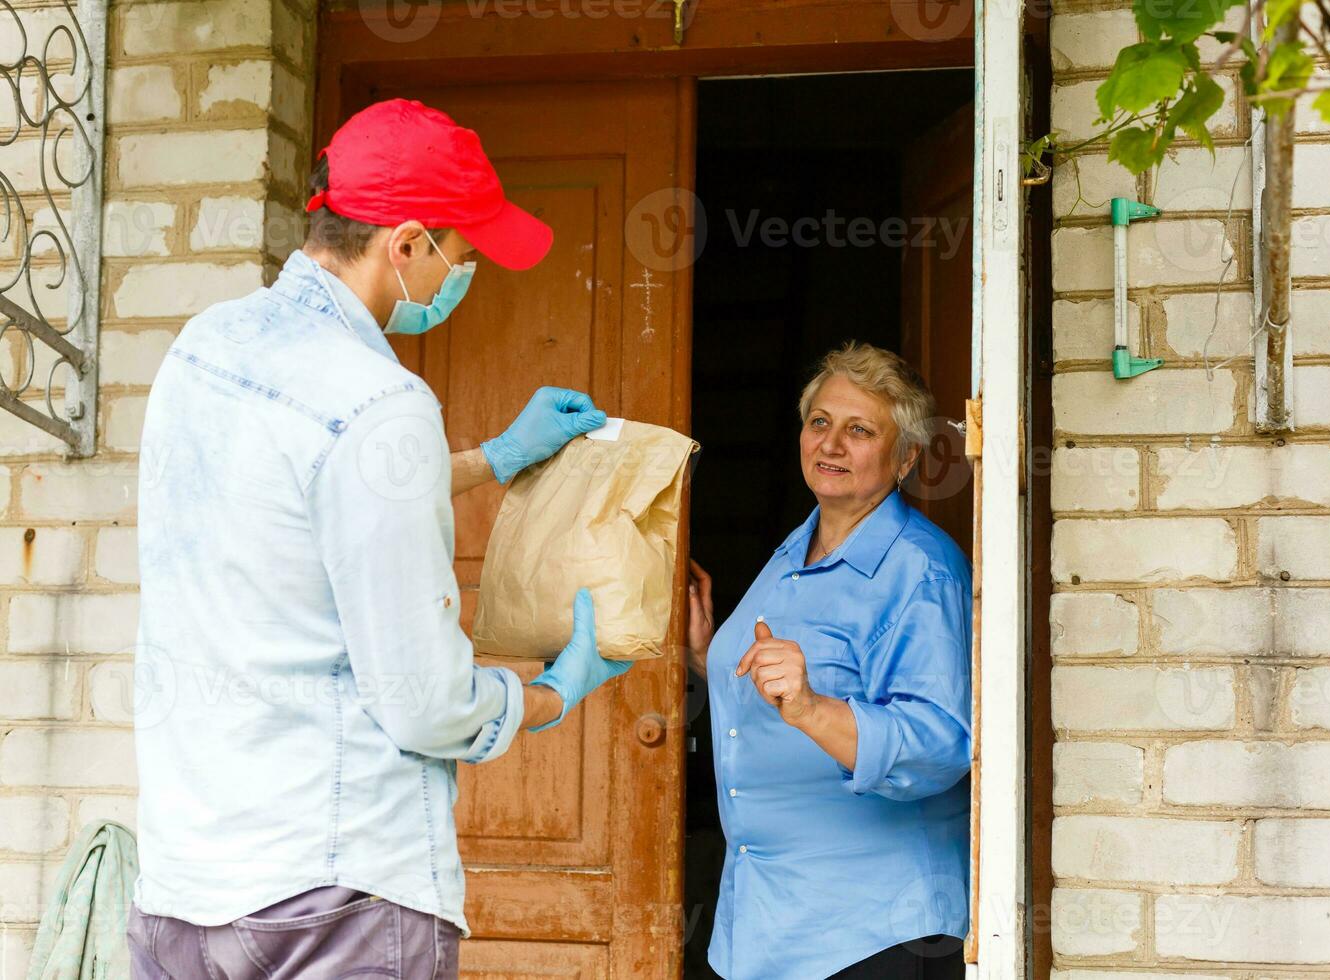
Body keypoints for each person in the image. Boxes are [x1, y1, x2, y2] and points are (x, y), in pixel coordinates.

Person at [126, 98, 632, 979]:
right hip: (334, 898)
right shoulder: (378, 400)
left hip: (184, 887)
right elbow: (425, 703)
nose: (460, 283)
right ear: (405, 245)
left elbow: (301, 503)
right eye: (460, 258)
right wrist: (552, 694)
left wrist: (497, 457)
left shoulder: (205, 346)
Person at [687, 342, 972, 980]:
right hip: (767, 922)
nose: (831, 444)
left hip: (872, 932)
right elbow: (778, 694)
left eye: (859, 430)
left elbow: (941, 745)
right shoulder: (798, 547)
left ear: (905, 460)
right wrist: (709, 659)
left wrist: (814, 709)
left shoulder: (920, 569)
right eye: (820, 422)